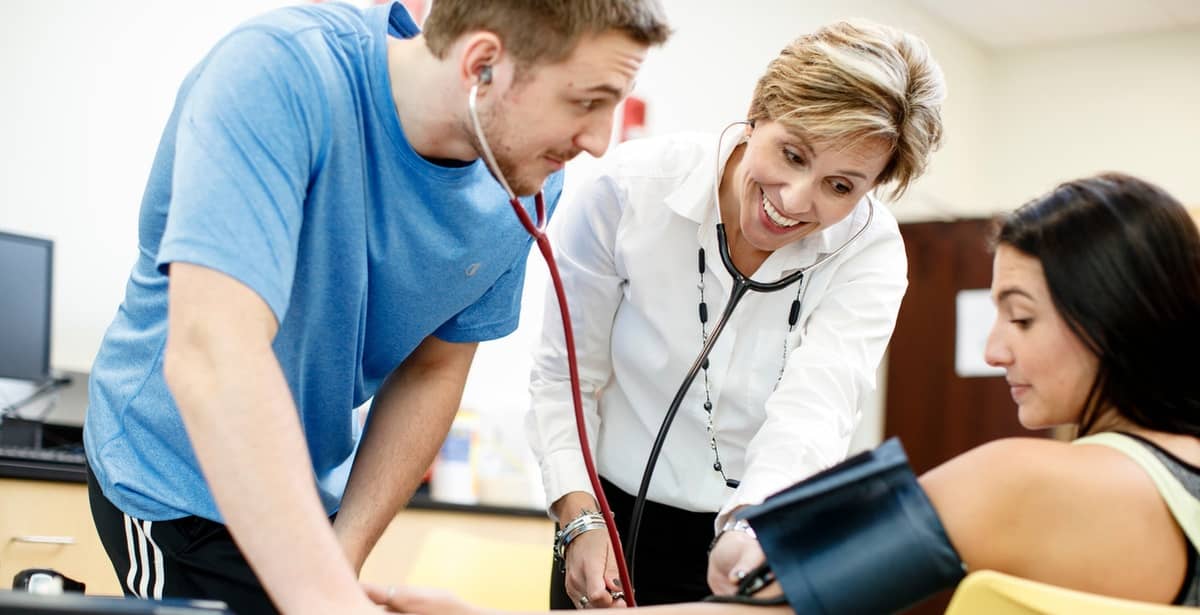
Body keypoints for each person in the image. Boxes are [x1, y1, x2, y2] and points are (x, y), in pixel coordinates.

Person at [364, 172, 1200, 612]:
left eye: (1019, 315)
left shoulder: (1026, 481)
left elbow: (756, 614)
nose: (990, 346)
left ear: (1112, 320)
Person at [81, 2, 669, 614]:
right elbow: (214, 353)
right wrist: (323, 596)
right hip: (176, 477)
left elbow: (433, 368)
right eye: (587, 102)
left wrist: (341, 558)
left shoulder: (523, 177)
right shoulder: (281, 73)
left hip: (307, 481)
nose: (600, 142)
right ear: (482, 65)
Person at [522, 19, 946, 608]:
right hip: (604, 518)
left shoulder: (870, 251)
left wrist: (753, 526)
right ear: (757, 113)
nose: (796, 200)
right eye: (792, 154)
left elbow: (816, 409)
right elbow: (567, 378)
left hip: (753, 526)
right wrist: (579, 519)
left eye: (841, 186)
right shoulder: (628, 191)